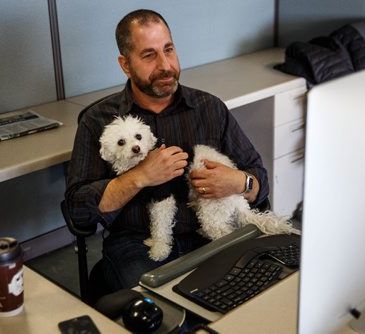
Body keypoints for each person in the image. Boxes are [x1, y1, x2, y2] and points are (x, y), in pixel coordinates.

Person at [65, 9, 269, 291]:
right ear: (125, 64)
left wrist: (239, 182)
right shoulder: (98, 121)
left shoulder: (209, 108)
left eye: (168, 50)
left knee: (253, 291)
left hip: (211, 233)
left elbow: (260, 181)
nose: (165, 65)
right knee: (163, 313)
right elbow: (79, 212)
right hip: (138, 242)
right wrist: (139, 177)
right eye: (149, 55)